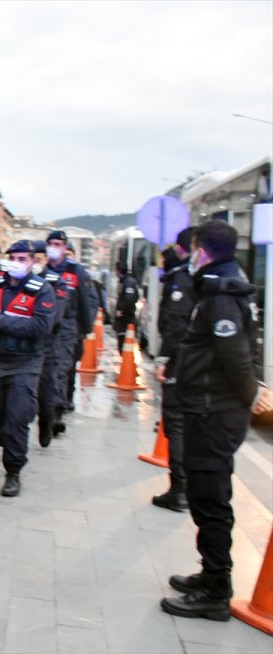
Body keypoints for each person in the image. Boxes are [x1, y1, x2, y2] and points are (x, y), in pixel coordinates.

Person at [161, 220, 271, 621]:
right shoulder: (221, 285)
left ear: (201, 250)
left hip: (214, 413)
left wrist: (252, 398)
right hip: (208, 408)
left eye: (193, 249)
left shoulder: (221, 295)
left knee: (210, 498)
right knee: (204, 495)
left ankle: (216, 589)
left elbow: (234, 355)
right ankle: (210, 573)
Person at [0, 240, 55, 496]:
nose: (16, 263)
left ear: (32, 262)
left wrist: (0, 321)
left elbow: (41, 327)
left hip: (25, 362)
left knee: (17, 418)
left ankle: (13, 472)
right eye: (13, 258)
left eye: (22, 259)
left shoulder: (42, 290)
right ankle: (2, 436)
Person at [152, 230, 195, 513]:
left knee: (176, 422)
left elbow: (176, 323)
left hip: (183, 359)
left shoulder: (183, 278)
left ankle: (179, 490)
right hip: (201, 362)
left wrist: (164, 358)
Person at [45, 231, 97, 422]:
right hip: (46, 328)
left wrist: (85, 330)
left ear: (65, 247)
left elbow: (88, 302)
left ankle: (56, 413)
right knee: (46, 370)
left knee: (60, 369)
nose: (54, 248)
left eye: (58, 244)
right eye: (51, 244)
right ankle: (47, 408)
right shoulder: (42, 271)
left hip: (67, 328)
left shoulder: (76, 272)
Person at [32, 241, 68, 447]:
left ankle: (46, 423)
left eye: (38, 259)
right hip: (24, 347)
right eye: (32, 259)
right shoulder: (18, 281)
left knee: (46, 393)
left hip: (48, 346)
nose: (35, 263)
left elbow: (54, 316)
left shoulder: (57, 283)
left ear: (46, 260)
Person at [112, 261, 139, 353]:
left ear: (118, 271)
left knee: (124, 345)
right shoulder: (126, 281)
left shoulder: (128, 282)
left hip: (126, 319)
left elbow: (129, 299)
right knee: (124, 345)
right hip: (125, 318)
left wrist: (121, 311)